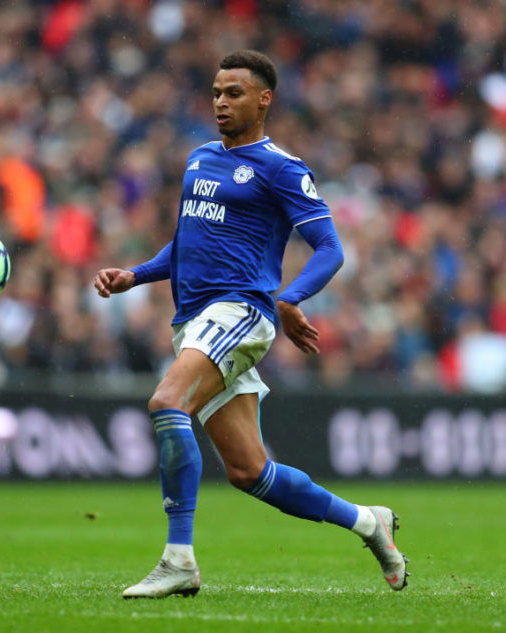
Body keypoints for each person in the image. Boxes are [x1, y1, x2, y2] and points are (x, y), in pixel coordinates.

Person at [93, 50, 408, 599]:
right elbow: (191, 239)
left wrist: (290, 300)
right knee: (249, 472)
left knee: (168, 402)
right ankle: (368, 522)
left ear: (264, 100)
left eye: (233, 92)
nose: (220, 101)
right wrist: (136, 275)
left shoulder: (282, 167)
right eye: (216, 91)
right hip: (193, 320)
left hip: (241, 312)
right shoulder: (199, 159)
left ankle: (179, 560)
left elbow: (330, 249)